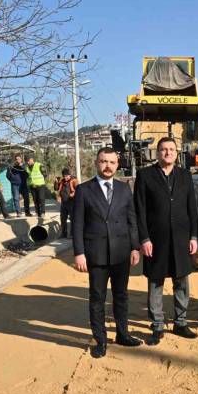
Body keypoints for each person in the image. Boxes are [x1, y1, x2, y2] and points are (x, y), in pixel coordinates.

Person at [72, 147, 141, 358]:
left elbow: (132, 221)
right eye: (104, 161)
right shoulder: (84, 190)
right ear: (96, 163)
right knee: (97, 298)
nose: (108, 166)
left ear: (117, 165)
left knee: (121, 296)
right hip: (97, 254)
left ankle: (122, 334)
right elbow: (77, 224)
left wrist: (135, 247)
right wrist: (79, 253)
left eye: (112, 162)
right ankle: (100, 340)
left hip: (121, 253)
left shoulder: (124, 188)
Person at [134, 137, 198, 345]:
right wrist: (144, 238)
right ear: (158, 153)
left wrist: (194, 236)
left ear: (176, 152)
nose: (167, 152)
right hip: (156, 241)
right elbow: (140, 210)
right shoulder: (145, 176)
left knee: (181, 281)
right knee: (155, 282)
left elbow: (192, 209)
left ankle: (181, 322)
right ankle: (157, 325)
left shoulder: (185, 176)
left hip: (181, 239)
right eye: (163, 149)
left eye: (171, 149)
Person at [54, 168, 78, 238]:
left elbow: (79, 190)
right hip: (64, 203)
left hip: (72, 202)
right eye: (64, 176)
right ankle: (64, 234)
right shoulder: (62, 181)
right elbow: (56, 188)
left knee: (73, 219)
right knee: (63, 219)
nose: (65, 177)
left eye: (67, 176)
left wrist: (73, 195)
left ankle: (72, 234)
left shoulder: (74, 180)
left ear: (70, 175)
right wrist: (56, 182)